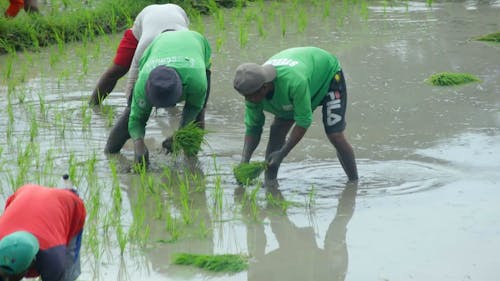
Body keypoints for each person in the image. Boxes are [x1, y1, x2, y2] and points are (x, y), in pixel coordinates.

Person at [233, 47, 358, 185]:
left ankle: (354, 183)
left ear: (265, 87)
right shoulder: (252, 90)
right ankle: (270, 183)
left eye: (251, 96)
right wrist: (244, 161)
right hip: (297, 87)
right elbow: (253, 128)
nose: (248, 100)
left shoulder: (294, 82)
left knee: (335, 134)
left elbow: (303, 121)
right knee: (277, 131)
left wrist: (283, 153)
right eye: (245, 96)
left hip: (328, 76)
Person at [104, 29, 212, 166]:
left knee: (198, 116)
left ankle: (191, 163)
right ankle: (110, 154)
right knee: (130, 112)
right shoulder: (142, 83)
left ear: (182, 89)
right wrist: (138, 144)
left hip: (195, 43)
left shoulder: (197, 81)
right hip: (158, 44)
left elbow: (193, 108)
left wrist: (178, 136)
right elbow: (136, 119)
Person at [89, 3, 190, 106]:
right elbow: (133, 79)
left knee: (171, 76)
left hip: (177, 15)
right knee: (118, 69)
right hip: (140, 31)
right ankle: (92, 105)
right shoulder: (146, 42)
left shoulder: (188, 43)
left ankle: (170, 108)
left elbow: (198, 76)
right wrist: (130, 107)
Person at [0, 184, 86, 281]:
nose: (7, 279)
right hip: (26, 194)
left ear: (32, 263)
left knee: (66, 276)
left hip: (69, 206)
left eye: (12, 277)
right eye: (3, 274)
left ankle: (69, 192)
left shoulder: (53, 258)